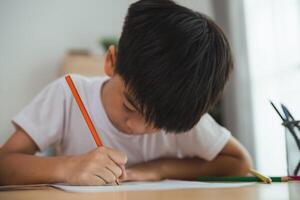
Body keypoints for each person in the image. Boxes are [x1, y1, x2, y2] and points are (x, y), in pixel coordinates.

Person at [0, 0, 252, 186]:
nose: (138, 127)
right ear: (111, 61)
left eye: (157, 124)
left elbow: (239, 162)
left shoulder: (179, 109)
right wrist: (67, 167)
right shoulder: (69, 95)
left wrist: (159, 169)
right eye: (130, 106)